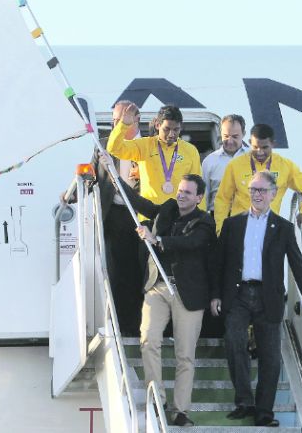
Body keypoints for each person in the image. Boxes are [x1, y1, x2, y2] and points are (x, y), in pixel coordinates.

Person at [210, 171, 302, 427]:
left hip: (268, 297)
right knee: (234, 342)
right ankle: (244, 401)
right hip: (238, 295)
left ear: (273, 194)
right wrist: (216, 294)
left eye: (262, 190)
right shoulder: (232, 224)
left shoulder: (283, 228)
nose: (257, 194)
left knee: (271, 356)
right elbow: (219, 263)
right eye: (253, 189)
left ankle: (264, 411)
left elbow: (297, 265)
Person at [120, 173, 215, 427]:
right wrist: (114, 177)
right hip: (158, 287)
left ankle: (180, 411)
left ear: (199, 198)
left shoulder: (205, 222)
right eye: (180, 190)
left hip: (188, 293)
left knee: (185, 355)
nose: (181, 195)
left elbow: (191, 243)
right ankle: (157, 400)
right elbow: (141, 204)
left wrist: (157, 240)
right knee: (148, 339)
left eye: (187, 192)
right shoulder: (168, 209)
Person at [66, 100, 144, 335]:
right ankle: (122, 327)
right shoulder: (103, 145)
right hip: (114, 215)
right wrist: (72, 194)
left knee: (140, 273)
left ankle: (141, 326)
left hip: (141, 216)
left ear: (136, 119)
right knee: (116, 272)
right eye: (113, 121)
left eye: (120, 121)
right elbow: (91, 175)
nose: (115, 126)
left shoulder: (148, 145)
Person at [213, 123, 302, 236]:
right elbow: (222, 199)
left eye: (264, 147)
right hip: (239, 231)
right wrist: (220, 231)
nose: (260, 152)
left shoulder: (285, 166)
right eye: (255, 147)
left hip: (269, 232)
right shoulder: (235, 165)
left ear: (273, 144)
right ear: (249, 142)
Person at [107, 104, 205, 215]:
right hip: (149, 215)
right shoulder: (145, 145)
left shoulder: (190, 150)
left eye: (176, 129)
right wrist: (123, 125)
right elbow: (114, 149)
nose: (171, 134)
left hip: (179, 217)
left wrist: (200, 218)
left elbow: (198, 188)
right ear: (158, 125)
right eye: (167, 129)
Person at [202, 114, 248, 220]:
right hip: (218, 218)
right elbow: (204, 196)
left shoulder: (254, 158)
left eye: (235, 137)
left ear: (244, 134)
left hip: (247, 217)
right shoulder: (209, 161)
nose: (230, 141)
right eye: (226, 136)